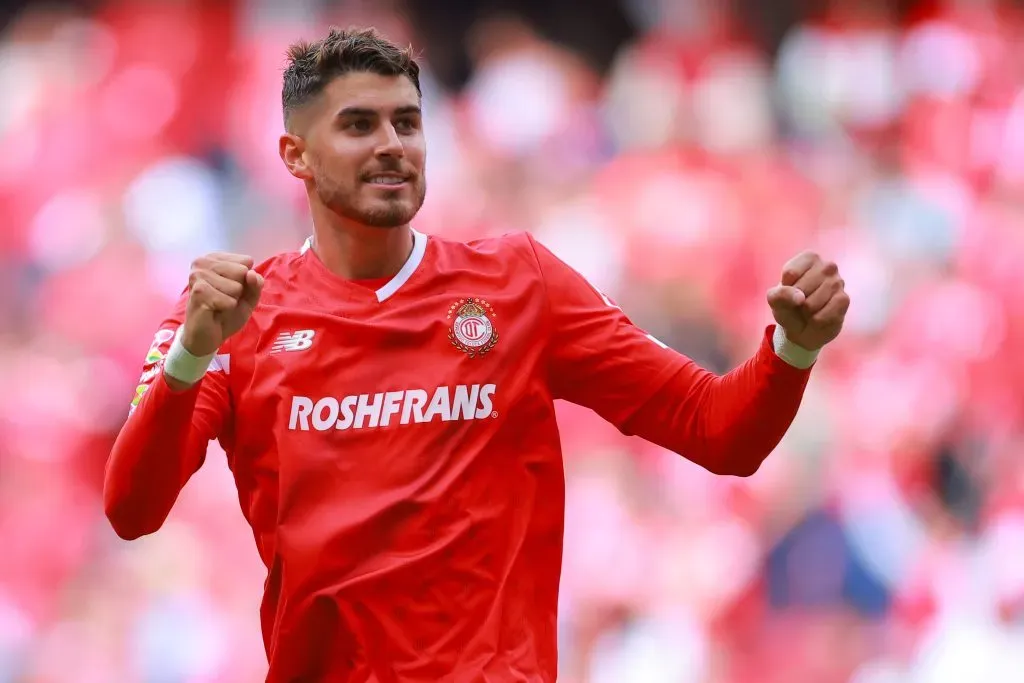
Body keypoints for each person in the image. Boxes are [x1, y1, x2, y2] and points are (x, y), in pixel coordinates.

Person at [104, 26, 850, 683]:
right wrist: (191, 356)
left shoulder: (518, 283)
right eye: (359, 125)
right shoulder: (235, 313)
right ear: (294, 155)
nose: (392, 144)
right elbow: (133, 509)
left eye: (408, 122)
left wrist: (792, 347)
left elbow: (720, 430)